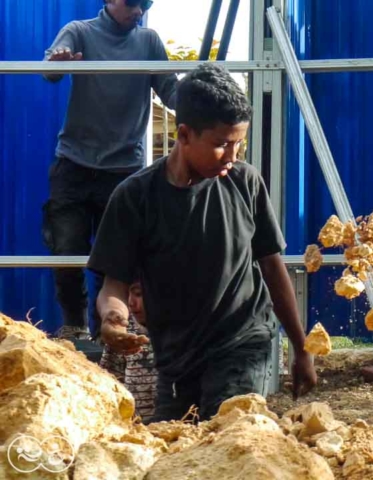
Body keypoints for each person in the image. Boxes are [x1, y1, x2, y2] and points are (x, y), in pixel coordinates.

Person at [88, 64, 317, 422]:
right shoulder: (135, 197)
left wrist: (301, 349)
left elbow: (273, 267)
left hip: (242, 341)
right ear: (183, 135)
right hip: (176, 358)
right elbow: (113, 283)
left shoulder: (246, 182)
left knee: (227, 431)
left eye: (239, 143)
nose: (233, 156)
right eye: (222, 144)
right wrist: (112, 318)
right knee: (173, 446)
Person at [42, 0, 178, 342]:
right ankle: (74, 327)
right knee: (67, 248)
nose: (139, 10)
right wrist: (58, 62)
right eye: (132, 2)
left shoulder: (148, 41)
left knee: (115, 257)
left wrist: (205, 91)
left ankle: (108, 330)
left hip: (123, 168)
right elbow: (50, 69)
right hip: (73, 163)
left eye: (145, 3)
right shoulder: (79, 31)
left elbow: (171, 91)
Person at [100, 279, 157, 423]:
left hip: (180, 427)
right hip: (136, 432)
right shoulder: (123, 330)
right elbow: (110, 385)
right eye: (127, 295)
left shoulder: (185, 332)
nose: (131, 302)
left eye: (139, 294)